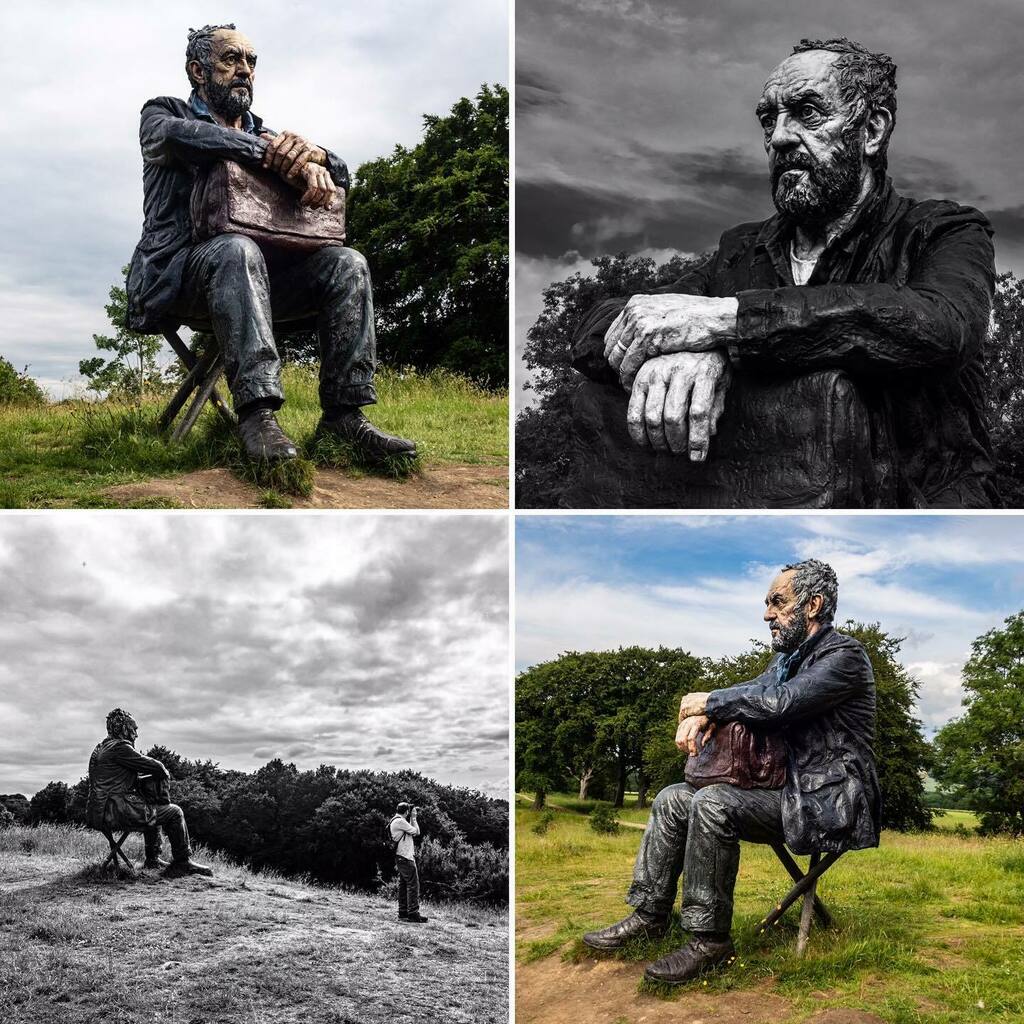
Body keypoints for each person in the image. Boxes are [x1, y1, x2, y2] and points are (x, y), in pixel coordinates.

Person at [571, 38, 998, 507]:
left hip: (920, 508)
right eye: (768, 120)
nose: (779, 137)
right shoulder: (741, 250)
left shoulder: (942, 230)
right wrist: (680, 348)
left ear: (872, 131)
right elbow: (614, 323)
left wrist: (727, 329)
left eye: (807, 113)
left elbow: (941, 327)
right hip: (769, 499)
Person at [126, 23, 416, 464]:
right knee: (237, 248)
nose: (244, 69)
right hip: (178, 278)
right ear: (198, 71)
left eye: (251, 61)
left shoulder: (272, 136)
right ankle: (257, 415)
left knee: (348, 263)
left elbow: (341, 173)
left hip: (258, 284)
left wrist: (316, 155)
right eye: (231, 59)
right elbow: (172, 137)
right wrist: (268, 154)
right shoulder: (165, 113)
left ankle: (345, 415)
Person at [582, 559, 880, 984]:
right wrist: (709, 715)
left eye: (778, 602)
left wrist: (709, 703)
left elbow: (782, 703)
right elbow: (753, 692)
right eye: (767, 604)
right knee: (672, 799)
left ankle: (710, 942)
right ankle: (650, 914)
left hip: (828, 800)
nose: (767, 614)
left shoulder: (845, 657)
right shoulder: (785, 662)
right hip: (784, 790)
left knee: (713, 802)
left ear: (813, 605)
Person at [86, 708, 212, 879]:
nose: (136, 734)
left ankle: (153, 859)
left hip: (97, 812)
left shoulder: (101, 747)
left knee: (152, 806)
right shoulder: (120, 748)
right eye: (134, 729)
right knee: (174, 812)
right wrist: (164, 778)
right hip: (116, 811)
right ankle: (182, 862)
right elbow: (157, 767)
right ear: (124, 729)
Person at [389, 801, 428, 923]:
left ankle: (403, 912)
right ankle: (413, 913)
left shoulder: (396, 820)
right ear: (406, 812)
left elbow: (411, 831)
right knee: (413, 885)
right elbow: (416, 831)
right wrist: (414, 818)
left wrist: (410, 818)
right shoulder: (400, 822)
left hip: (401, 857)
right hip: (405, 858)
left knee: (404, 885)